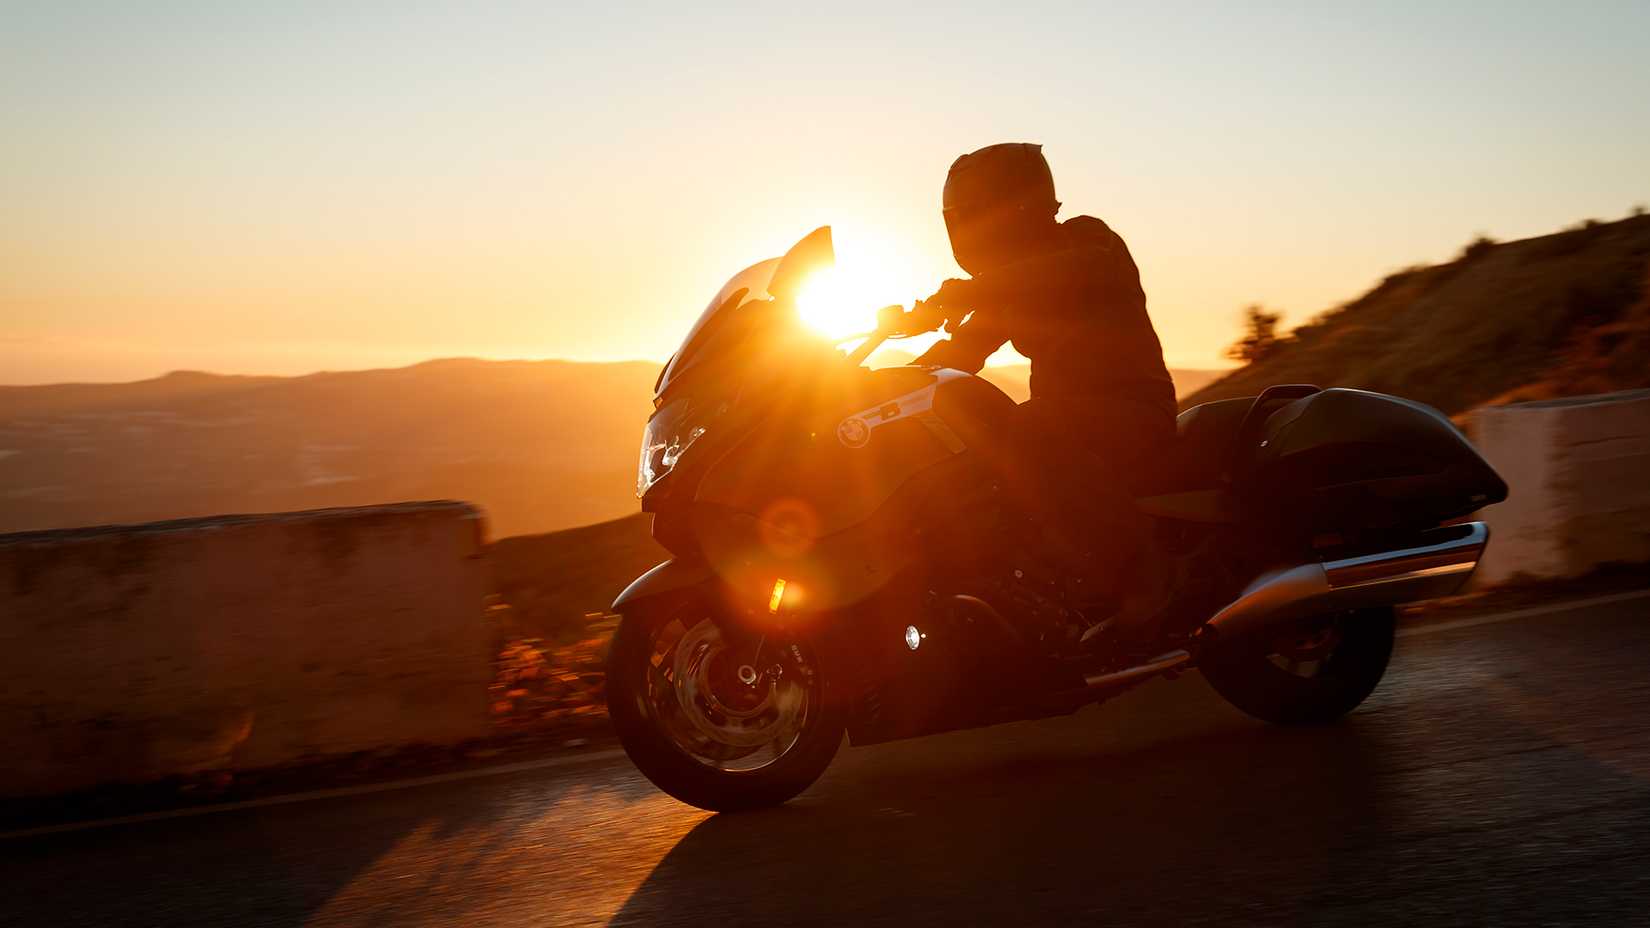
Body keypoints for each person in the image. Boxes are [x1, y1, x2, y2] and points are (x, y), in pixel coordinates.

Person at [914, 142, 1176, 650]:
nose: (965, 232)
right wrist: (884, 382)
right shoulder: (1010, 285)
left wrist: (969, 291)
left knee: (1027, 427)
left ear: (1014, 209)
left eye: (973, 217)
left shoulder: (1087, 242)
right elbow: (957, 356)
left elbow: (1064, 272)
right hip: (1072, 421)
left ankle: (1144, 572)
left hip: (1132, 412)